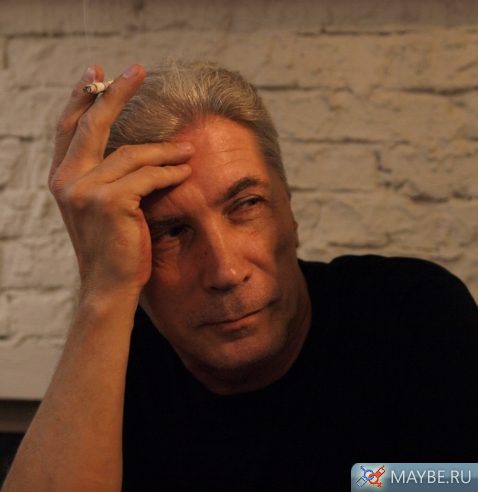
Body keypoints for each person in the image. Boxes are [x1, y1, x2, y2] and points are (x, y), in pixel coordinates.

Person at [2, 60, 478, 492]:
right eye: (172, 232)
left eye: (246, 205)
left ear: (288, 207)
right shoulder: (120, 357)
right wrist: (102, 292)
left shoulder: (410, 317)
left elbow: (458, 481)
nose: (226, 271)